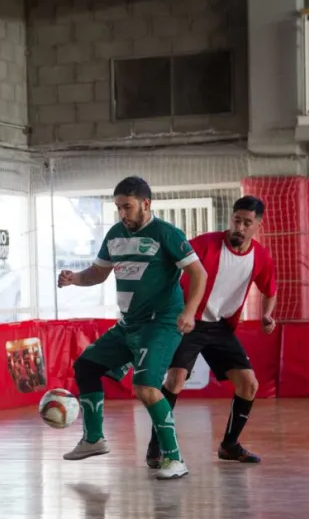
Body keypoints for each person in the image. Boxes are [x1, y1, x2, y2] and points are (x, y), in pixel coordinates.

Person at [57, 177, 207, 480]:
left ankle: (174, 459)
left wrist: (189, 312)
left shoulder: (167, 234)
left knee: (146, 387)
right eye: (118, 208)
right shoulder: (115, 235)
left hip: (161, 323)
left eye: (127, 207)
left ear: (146, 204)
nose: (122, 213)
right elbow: (98, 274)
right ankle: (94, 439)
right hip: (128, 325)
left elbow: (198, 273)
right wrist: (75, 278)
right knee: (86, 366)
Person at [147, 195, 277, 467]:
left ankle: (230, 445)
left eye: (247, 223)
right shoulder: (206, 244)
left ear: (258, 226)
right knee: (175, 381)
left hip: (220, 326)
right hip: (189, 319)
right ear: (231, 218)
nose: (239, 227)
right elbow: (170, 262)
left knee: (249, 384)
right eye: (236, 220)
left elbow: (270, 290)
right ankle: (156, 443)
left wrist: (267, 314)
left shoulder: (261, 258)